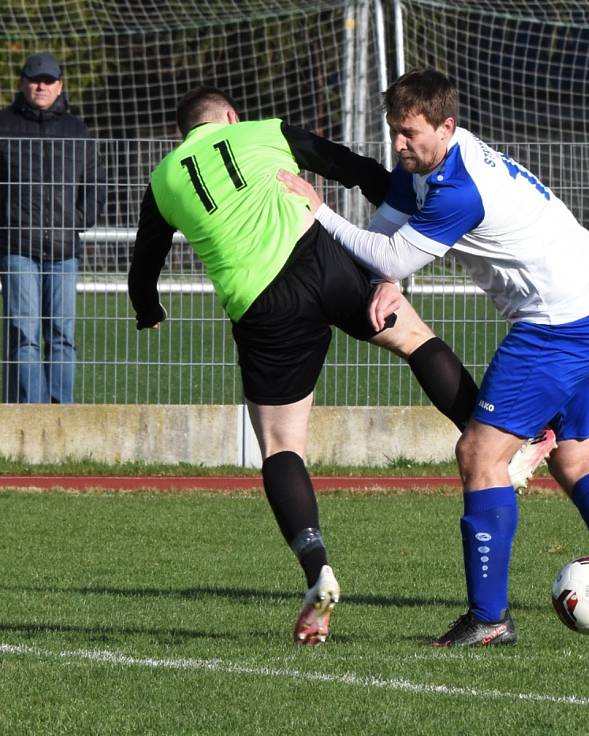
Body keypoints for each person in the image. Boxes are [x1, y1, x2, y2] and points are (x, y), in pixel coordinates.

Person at [128, 86, 550, 646]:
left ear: (185, 134)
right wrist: (399, 205)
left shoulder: (162, 181)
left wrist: (147, 307)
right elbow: (347, 165)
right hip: (321, 258)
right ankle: (506, 445)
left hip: (261, 304)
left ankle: (317, 568)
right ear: (231, 117)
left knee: (281, 446)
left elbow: (145, 257)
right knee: (416, 340)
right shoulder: (262, 131)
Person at [278, 68, 589, 646]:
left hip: (562, 327)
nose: (398, 145)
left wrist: (318, 212)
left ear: (447, 125)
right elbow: (389, 237)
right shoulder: (435, 163)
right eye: (394, 131)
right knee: (576, 461)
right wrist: (388, 273)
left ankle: (490, 619)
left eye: (409, 132)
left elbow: (388, 250)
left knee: (479, 452)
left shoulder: (459, 187)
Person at [0, 52, 107, 403]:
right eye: (34, 79)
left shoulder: (78, 131)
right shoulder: (3, 125)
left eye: (48, 80)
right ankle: (31, 413)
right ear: (22, 83)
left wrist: (76, 221)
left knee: (62, 334)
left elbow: (95, 185)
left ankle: (61, 411)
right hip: (17, 249)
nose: (41, 86)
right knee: (24, 334)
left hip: (64, 251)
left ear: (60, 85)